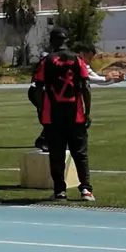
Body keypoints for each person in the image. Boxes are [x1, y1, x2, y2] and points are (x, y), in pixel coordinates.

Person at [32, 27, 94, 202]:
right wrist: (87, 111)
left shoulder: (46, 61)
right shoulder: (77, 60)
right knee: (80, 153)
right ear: (66, 41)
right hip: (76, 115)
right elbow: (86, 87)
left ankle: (60, 191)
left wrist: (40, 109)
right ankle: (86, 190)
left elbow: (37, 88)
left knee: (57, 154)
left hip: (53, 115)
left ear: (52, 41)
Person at [30, 43, 126, 152]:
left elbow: (94, 79)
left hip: (51, 93)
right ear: (82, 54)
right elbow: (88, 79)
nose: (91, 61)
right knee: (56, 117)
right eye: (90, 57)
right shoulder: (69, 60)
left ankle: (50, 140)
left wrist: (114, 80)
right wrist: (106, 79)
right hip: (40, 92)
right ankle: (46, 141)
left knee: (61, 117)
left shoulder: (83, 64)